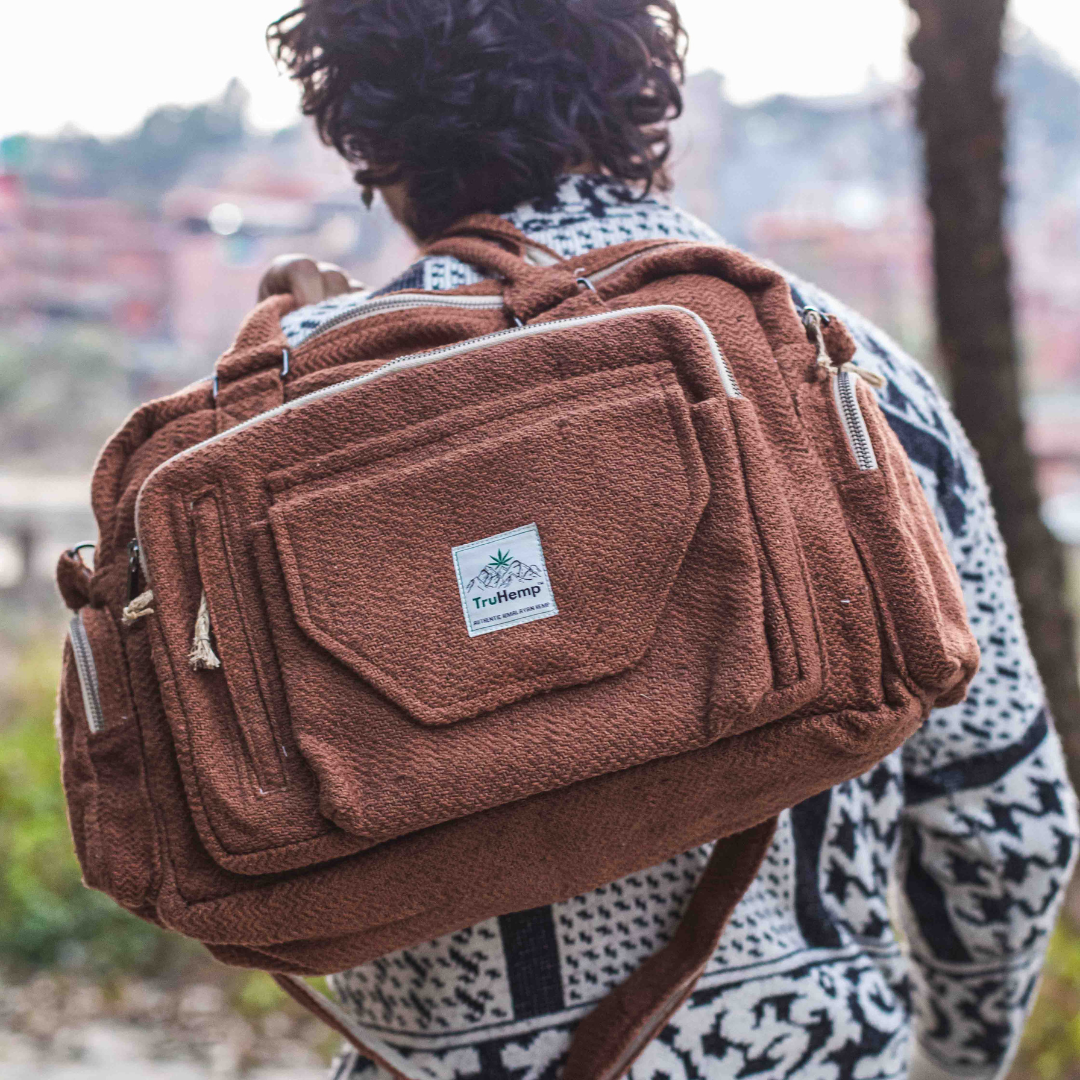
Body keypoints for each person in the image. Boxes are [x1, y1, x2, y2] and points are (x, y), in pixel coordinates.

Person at [258, 3, 1080, 1078]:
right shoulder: (850, 371)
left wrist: (297, 361)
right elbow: (1007, 829)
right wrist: (955, 1063)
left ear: (367, 133)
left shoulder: (293, 403)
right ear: (638, 92)